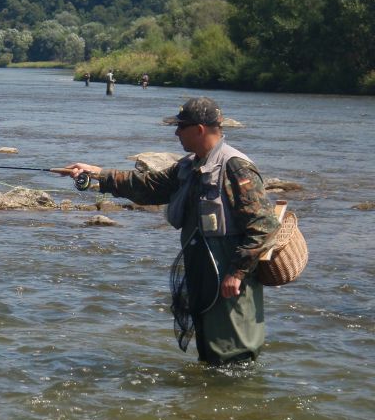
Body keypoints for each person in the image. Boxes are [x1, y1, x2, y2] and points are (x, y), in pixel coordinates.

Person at [64, 97, 280, 365]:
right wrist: (97, 173)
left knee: (234, 352)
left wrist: (236, 273)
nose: (176, 133)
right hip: (202, 269)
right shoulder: (189, 165)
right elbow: (147, 185)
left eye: (181, 127)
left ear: (199, 129)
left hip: (230, 276)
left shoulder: (235, 167)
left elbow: (265, 225)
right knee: (210, 351)